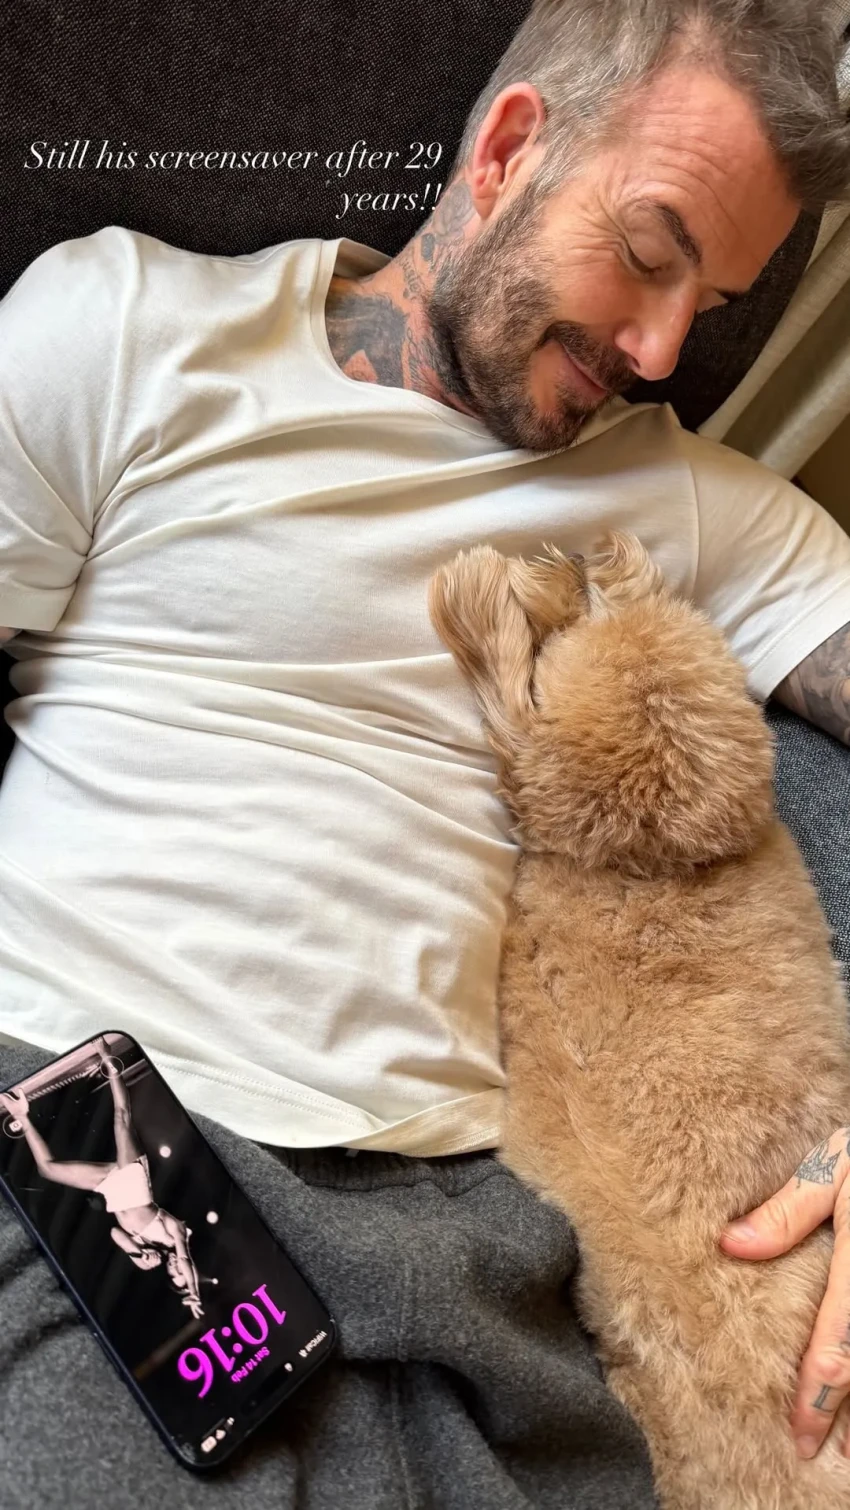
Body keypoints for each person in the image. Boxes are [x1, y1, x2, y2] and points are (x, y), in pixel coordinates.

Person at [0, 1, 849, 1504]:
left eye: (710, 301)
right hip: (88, 1139)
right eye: (646, 252)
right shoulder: (127, 329)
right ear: (511, 149)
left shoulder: (690, 504)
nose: (661, 348)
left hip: (468, 1255)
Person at [0, 1037, 205, 1319]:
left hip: (112, 1191)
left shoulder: (150, 1251)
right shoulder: (177, 1234)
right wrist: (193, 1291)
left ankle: (21, 1114)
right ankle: (108, 1058)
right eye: (182, 1271)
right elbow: (184, 1258)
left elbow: (115, 1233)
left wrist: (137, 1253)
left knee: (48, 1170)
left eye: (173, 1274)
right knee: (122, 1118)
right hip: (134, 1183)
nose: (175, 1267)